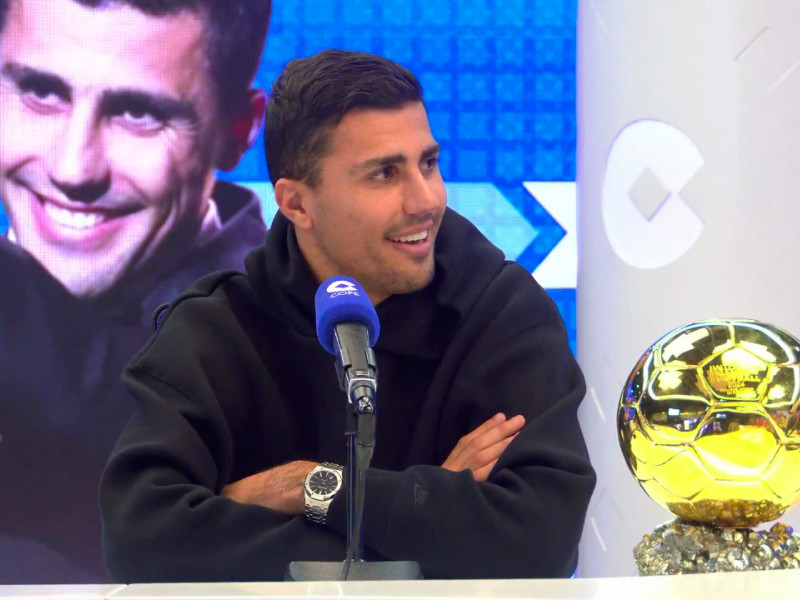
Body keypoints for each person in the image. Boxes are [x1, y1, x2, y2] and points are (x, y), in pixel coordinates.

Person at [100, 49, 596, 581]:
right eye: (384, 174)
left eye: (428, 163)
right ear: (296, 204)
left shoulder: (502, 314)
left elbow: (540, 543)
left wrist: (303, 487)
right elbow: (142, 543)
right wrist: (427, 510)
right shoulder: (212, 331)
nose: (425, 200)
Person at [0, 0, 271, 583]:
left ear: (237, 133)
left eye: (138, 112)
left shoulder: (285, 333)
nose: (74, 168)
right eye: (40, 92)